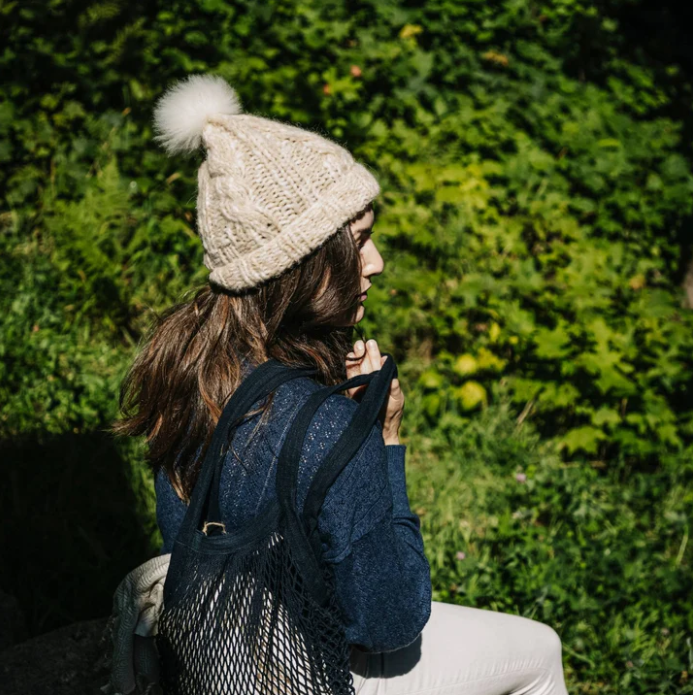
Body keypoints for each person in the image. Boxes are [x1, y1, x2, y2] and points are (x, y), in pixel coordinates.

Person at [113, 74, 570, 695]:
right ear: (299, 263)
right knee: (540, 651)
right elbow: (389, 621)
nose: (376, 262)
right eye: (358, 242)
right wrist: (380, 441)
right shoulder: (325, 425)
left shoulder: (188, 368)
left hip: (216, 658)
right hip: (303, 674)